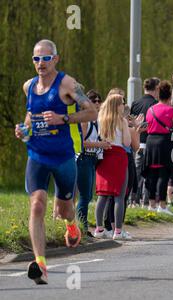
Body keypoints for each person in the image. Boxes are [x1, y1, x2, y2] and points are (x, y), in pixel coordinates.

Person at [14, 39, 97, 285]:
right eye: (36, 59)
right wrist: (23, 131)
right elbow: (31, 117)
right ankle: (40, 263)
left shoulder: (67, 84)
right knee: (37, 205)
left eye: (46, 58)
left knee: (64, 209)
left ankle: (72, 225)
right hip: (37, 155)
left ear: (56, 59)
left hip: (62, 158)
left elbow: (92, 112)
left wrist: (64, 118)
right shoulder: (28, 86)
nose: (40, 63)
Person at [142, 80, 173, 216]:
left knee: (152, 175)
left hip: (150, 142)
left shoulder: (150, 109)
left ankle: (151, 204)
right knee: (163, 175)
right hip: (165, 143)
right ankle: (162, 205)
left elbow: (147, 125)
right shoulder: (171, 111)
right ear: (170, 96)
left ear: (158, 95)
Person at [93, 94, 132, 240]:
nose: (124, 105)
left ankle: (99, 229)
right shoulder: (121, 120)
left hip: (104, 155)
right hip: (118, 157)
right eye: (122, 103)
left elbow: (99, 137)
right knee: (119, 196)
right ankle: (118, 231)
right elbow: (127, 142)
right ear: (116, 105)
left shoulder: (100, 118)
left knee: (102, 195)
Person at [76, 90, 111, 236]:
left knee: (88, 196)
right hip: (83, 158)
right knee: (84, 196)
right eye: (93, 100)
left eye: (99, 100)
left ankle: (82, 227)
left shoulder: (96, 121)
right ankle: (81, 228)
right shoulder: (85, 120)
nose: (97, 103)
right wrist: (100, 145)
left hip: (91, 159)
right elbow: (81, 143)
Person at [130, 78, 161, 208]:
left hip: (137, 143)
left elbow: (130, 123)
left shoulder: (135, 103)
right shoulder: (156, 105)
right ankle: (146, 200)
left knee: (136, 174)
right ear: (157, 88)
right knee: (149, 174)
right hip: (150, 143)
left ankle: (133, 200)